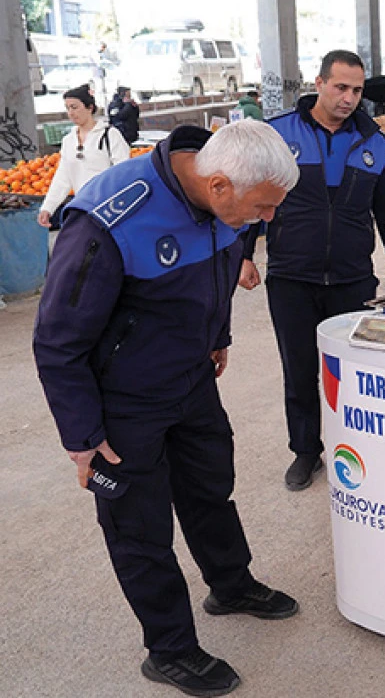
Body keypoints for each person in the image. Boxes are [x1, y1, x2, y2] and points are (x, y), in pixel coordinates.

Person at [33, 121, 302, 697]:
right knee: (139, 527)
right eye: (263, 207)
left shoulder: (225, 204)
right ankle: (170, 647)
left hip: (192, 380)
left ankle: (229, 585)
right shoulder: (110, 219)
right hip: (124, 405)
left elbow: (222, 268)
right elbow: (57, 340)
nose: (268, 219)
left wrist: (218, 333)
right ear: (222, 184)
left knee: (210, 488)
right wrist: (82, 439)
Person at [238, 50, 385, 491]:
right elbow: (253, 198)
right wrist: (241, 256)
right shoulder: (278, 134)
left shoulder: (372, 140)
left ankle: (354, 450)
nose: (349, 98)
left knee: (353, 372)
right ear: (319, 83)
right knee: (298, 370)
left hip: (352, 278)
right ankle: (306, 452)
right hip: (292, 277)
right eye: (341, 87)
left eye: (356, 90)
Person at [38, 84, 130, 232]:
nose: (71, 113)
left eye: (75, 107)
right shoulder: (68, 141)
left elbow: (124, 173)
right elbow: (63, 177)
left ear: (90, 108)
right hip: (83, 209)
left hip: (109, 211)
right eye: (67, 108)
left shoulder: (110, 135)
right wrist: (48, 208)